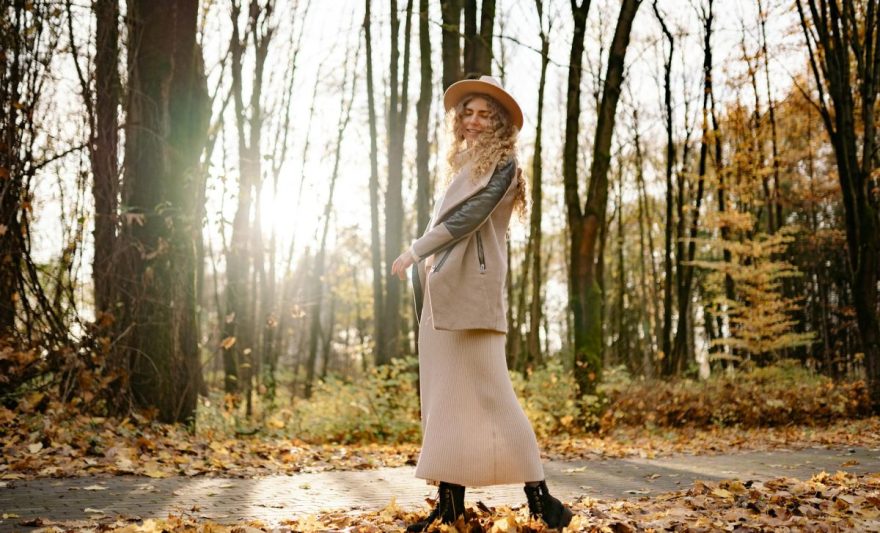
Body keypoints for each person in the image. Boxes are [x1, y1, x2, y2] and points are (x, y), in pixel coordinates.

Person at [391, 75, 573, 531]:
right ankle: (449, 508)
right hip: (443, 294)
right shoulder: (465, 164)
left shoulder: (504, 165)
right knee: (444, 403)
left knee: (495, 397)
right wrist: (425, 269)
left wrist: (417, 249)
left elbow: (470, 218)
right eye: (467, 112)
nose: (473, 121)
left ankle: (543, 503)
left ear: (500, 124)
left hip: (472, 296)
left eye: (484, 114)